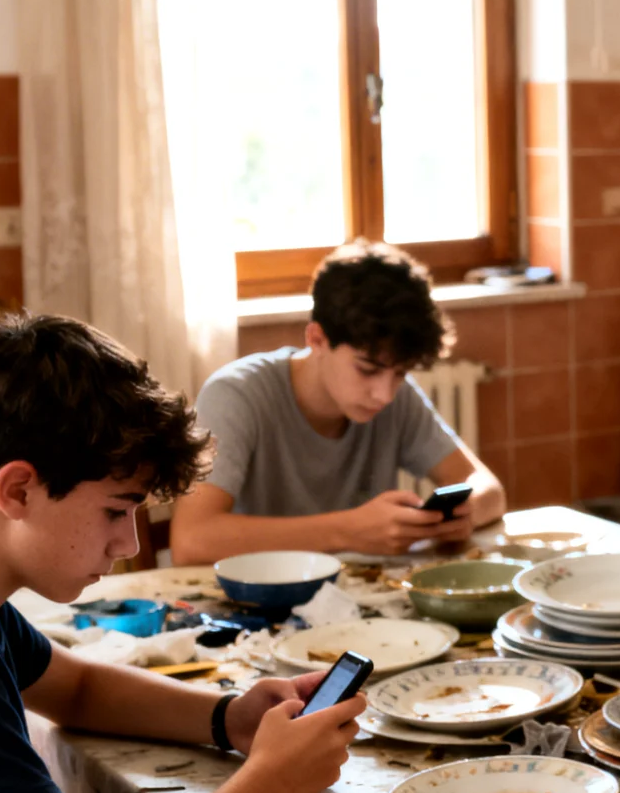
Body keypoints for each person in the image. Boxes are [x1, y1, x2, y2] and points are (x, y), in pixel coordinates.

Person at [0, 315, 368, 793]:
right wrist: (270, 782)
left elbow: (78, 690)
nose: (127, 542)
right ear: (18, 489)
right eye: (115, 510)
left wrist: (231, 718)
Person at [171, 240, 505, 564]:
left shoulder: (396, 397)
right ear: (316, 338)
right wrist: (347, 531)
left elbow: (488, 489)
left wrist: (464, 514)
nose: (385, 394)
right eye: (367, 369)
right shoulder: (236, 395)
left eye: (401, 373)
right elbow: (191, 540)